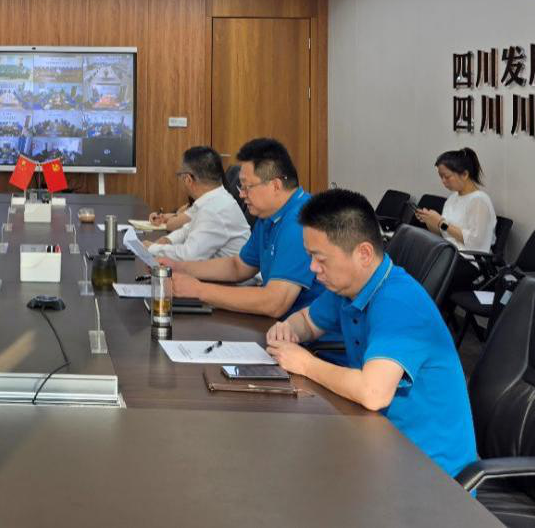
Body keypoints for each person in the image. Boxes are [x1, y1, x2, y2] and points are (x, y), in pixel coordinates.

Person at [265, 189, 478, 478]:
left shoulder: (399, 303)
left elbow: (373, 393)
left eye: (320, 258)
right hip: (377, 440)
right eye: (310, 256)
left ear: (363, 254)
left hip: (430, 472)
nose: (313, 268)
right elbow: (308, 321)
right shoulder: (348, 287)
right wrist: (287, 330)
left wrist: (305, 363)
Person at [158, 138, 324, 320]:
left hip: (306, 334)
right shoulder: (269, 216)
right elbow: (238, 267)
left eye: (247, 187)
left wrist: (199, 290)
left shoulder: (300, 222)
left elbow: (275, 302)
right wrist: (179, 266)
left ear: (275, 185)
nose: (242, 194)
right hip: (279, 326)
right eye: (241, 187)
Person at [147, 146, 250, 261]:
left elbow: (188, 256)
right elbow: (188, 228)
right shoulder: (214, 198)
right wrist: (168, 240)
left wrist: (151, 248)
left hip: (228, 272)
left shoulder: (215, 210)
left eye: (181, 176)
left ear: (188, 179)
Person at [414, 148, 496, 252]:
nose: (443, 181)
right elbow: (444, 234)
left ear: (464, 174)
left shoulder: (479, 200)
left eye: (447, 177)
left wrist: (441, 223)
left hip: (467, 257)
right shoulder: (452, 198)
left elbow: (475, 243)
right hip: (448, 251)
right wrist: (430, 220)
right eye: (441, 177)